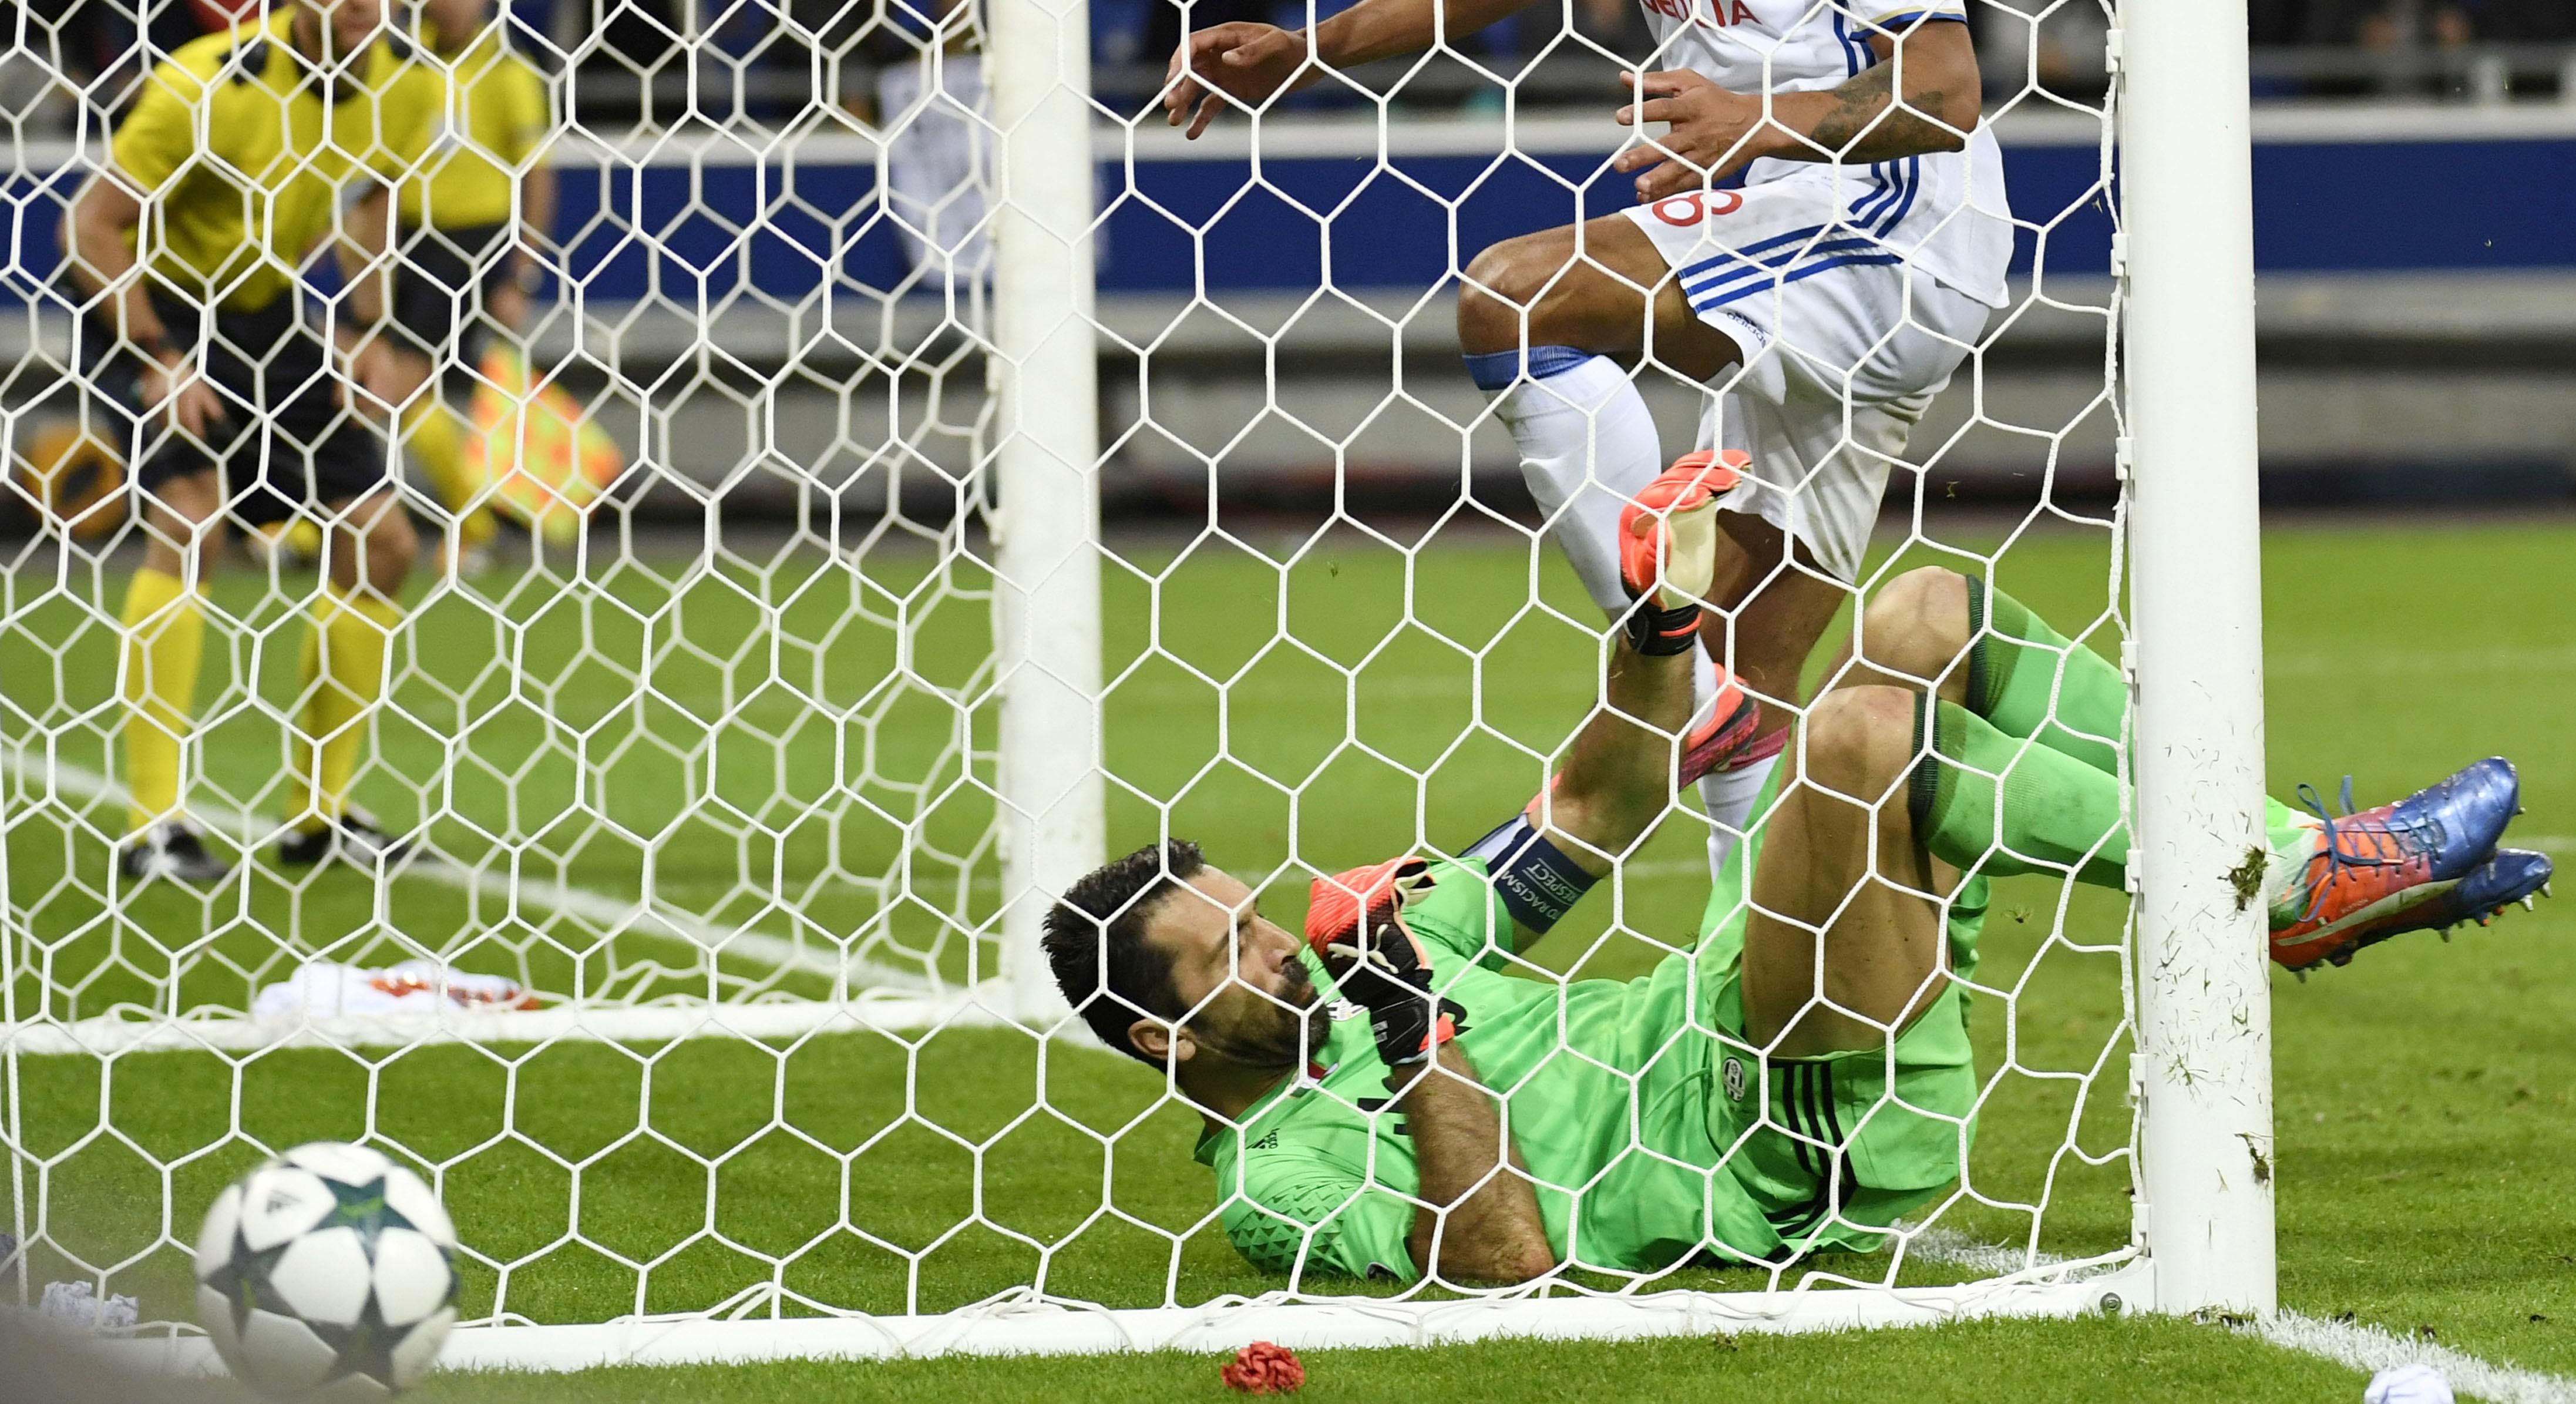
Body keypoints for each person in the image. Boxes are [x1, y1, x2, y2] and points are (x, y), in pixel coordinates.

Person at [1041, 459, 2552, 1285]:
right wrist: (1414, 1035)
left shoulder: (1381, 939)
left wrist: (1653, 629)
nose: (1278, 942)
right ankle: (2291, 884)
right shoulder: (1268, 1182)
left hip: (1735, 995)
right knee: (1850, 727)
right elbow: (1503, 1255)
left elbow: (1592, 802)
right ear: (1164, 1038)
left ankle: (2289, 866)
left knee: (1918, 610)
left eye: (1249, 912)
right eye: (1229, 950)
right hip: (1780, 1131)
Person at [1161, 0, 2011, 872]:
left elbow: (1942, 92)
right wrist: (1311, 51)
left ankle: (1682, 677)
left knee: (1515, 298)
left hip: (1891, 228)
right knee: (1749, 663)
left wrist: (1748, 119)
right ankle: (1773, 984)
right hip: (1798, 220)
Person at [66, 0, 439, 881]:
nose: (363, 8)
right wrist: (159, 356)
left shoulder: (407, 83)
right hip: (152, 303)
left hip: (264, 314)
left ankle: (318, 817)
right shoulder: (208, 82)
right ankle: (153, 828)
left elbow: (370, 196)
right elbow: (87, 228)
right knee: (195, 523)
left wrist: (366, 332)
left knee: (382, 541)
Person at [373, 0, 556, 576]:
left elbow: (537, 174)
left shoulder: (508, 67)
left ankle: (474, 524)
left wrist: (520, 273)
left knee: (402, 387)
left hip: (474, 244)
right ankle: (471, 524)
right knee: (392, 387)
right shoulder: (399, 57)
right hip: (407, 239)